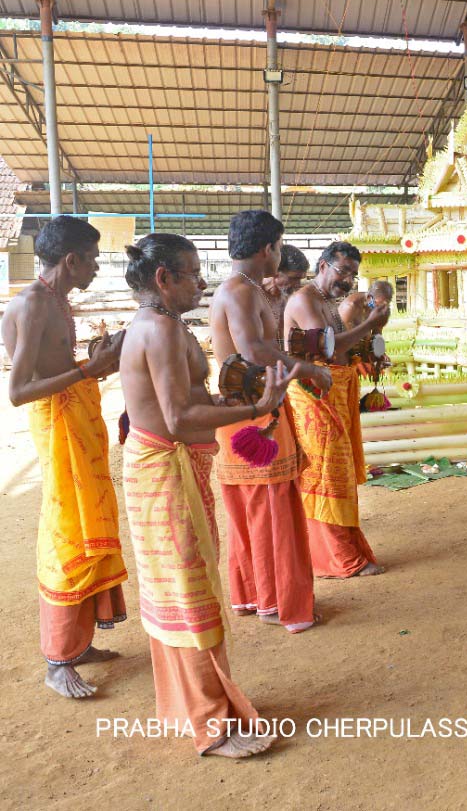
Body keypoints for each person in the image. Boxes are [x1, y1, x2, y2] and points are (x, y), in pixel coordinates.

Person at [120, 233, 297, 757]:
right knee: (187, 589)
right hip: (166, 467)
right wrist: (255, 408)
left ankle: (199, 705)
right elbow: (179, 419)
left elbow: (186, 401)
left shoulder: (162, 324)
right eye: (194, 274)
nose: (202, 283)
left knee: (183, 586)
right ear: (163, 279)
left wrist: (229, 399)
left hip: (168, 466)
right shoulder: (160, 330)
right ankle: (211, 722)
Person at [1, 216, 127, 698]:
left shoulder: (57, 299)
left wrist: (93, 363)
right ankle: (57, 660)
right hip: (57, 429)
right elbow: (18, 392)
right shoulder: (34, 303)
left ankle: (79, 642)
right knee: (67, 534)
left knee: (88, 527)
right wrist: (88, 371)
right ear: (71, 260)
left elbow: (58, 366)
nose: (96, 268)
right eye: (92, 260)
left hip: (77, 425)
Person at [211, 211, 331, 634]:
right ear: (268, 248)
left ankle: (256, 595)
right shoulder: (241, 292)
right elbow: (254, 352)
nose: (280, 255)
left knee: (255, 508)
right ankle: (278, 602)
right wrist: (309, 369)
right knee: (270, 507)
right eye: (279, 247)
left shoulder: (244, 289)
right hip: (256, 408)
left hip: (249, 406)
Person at [284, 241, 389, 578]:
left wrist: (369, 352)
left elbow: (344, 351)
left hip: (334, 391)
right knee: (325, 473)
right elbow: (327, 350)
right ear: (323, 266)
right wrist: (369, 323)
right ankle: (338, 557)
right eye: (343, 271)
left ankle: (344, 550)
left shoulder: (329, 301)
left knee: (338, 473)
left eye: (352, 275)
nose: (347, 280)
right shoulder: (305, 300)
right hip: (313, 395)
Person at [263, 243, 309, 340]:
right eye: (294, 278)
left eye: (300, 279)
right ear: (275, 272)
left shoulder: (288, 298)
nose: (298, 284)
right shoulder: (254, 295)